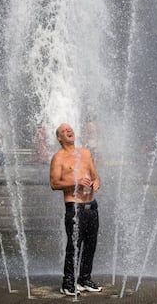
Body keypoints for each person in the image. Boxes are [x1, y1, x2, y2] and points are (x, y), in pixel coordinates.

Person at [50, 123, 102, 296]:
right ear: (59, 138)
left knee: (91, 245)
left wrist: (96, 183)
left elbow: (96, 177)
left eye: (70, 129)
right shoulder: (58, 158)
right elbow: (54, 183)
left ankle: (85, 279)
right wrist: (76, 183)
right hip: (74, 206)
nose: (69, 131)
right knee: (74, 246)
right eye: (64, 131)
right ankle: (68, 283)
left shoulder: (86, 153)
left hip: (91, 206)